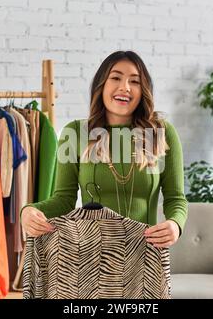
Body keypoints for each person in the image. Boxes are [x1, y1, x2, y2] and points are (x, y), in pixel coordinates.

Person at [21, 50, 188, 248]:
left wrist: (175, 224)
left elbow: (175, 198)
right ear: (102, 85)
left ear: (143, 90)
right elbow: (64, 200)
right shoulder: (74, 133)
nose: (125, 87)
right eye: (115, 77)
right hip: (90, 257)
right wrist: (28, 211)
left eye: (134, 81)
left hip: (145, 257)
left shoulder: (161, 133)